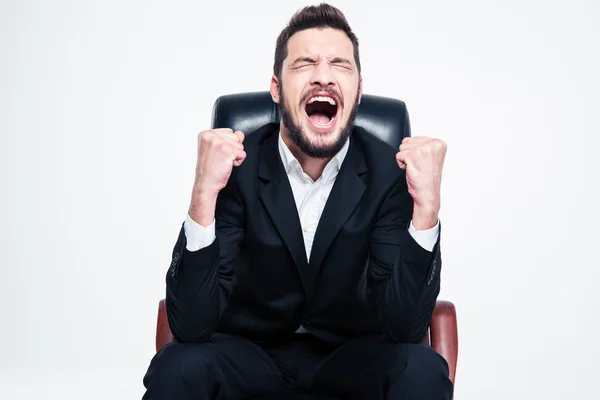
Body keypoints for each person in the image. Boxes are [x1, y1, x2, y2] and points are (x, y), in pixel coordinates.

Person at [142, 3, 453, 399]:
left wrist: (426, 209)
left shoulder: (390, 173)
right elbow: (190, 326)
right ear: (276, 88)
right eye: (305, 63)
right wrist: (203, 193)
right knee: (178, 366)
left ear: (358, 90)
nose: (323, 76)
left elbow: (405, 328)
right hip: (251, 356)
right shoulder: (235, 167)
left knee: (421, 367)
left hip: (351, 358)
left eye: (340, 64)